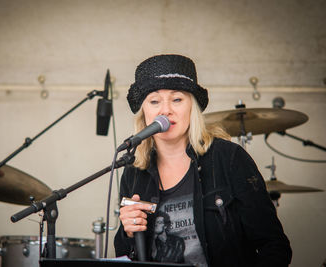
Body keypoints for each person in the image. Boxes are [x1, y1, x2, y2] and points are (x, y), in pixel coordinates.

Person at [114, 54, 292, 266]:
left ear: (193, 107)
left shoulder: (229, 158)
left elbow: (274, 246)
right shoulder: (134, 171)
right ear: (144, 113)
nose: (165, 110)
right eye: (154, 101)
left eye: (177, 99)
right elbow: (123, 254)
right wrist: (129, 233)